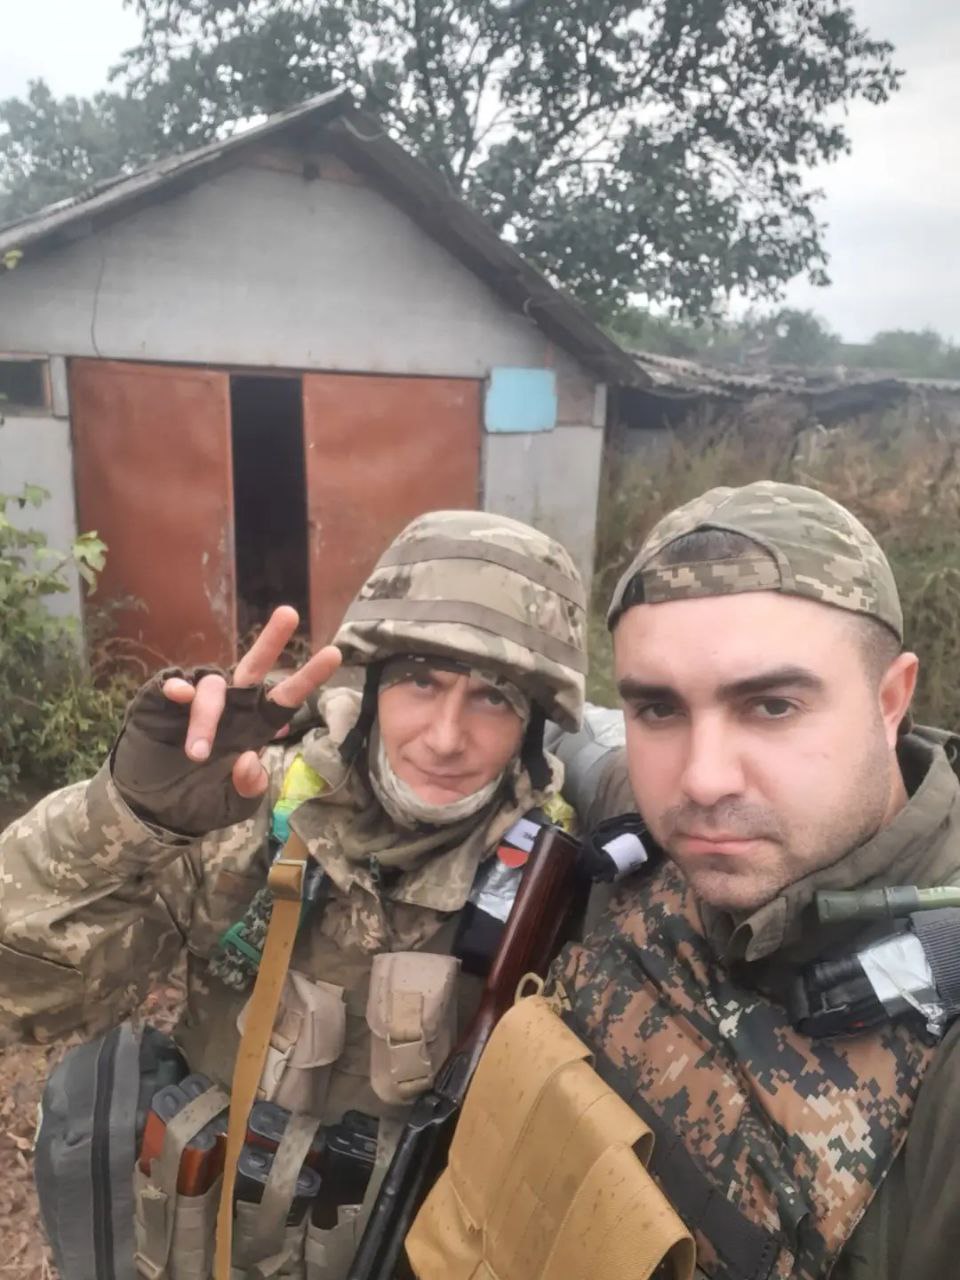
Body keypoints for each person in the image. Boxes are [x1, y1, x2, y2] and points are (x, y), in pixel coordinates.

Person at [0, 509, 586, 1277]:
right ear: (370, 686)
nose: (446, 737)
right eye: (420, 681)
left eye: (494, 698)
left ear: (533, 727)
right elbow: (23, 997)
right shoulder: (245, 806)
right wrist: (127, 819)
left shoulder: (555, 891)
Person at [546, 481, 960, 1280]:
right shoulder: (644, 808)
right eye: (658, 710)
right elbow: (559, 738)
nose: (701, 780)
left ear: (891, 701)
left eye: (771, 706)